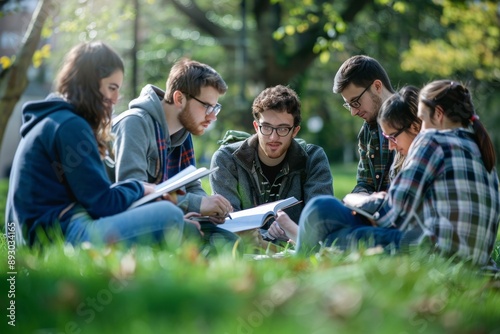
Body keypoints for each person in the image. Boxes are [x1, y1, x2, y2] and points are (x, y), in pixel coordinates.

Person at [294, 80, 500, 266]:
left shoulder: (433, 140)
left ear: (438, 114)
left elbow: (391, 215)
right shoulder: (481, 151)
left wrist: (355, 199)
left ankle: (297, 270)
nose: (421, 127)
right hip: (471, 260)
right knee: (331, 230)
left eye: (422, 119)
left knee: (325, 220)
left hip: (432, 253)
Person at [5, 41, 188, 248]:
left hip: (35, 234)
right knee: (169, 215)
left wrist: (141, 189)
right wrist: (140, 188)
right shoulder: (70, 126)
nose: (116, 98)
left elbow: (94, 195)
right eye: (112, 88)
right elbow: (103, 203)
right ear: (90, 83)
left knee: (169, 216)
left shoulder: (56, 119)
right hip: (56, 235)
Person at [109, 57, 237, 250]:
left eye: (215, 108)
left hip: (167, 214)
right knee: (194, 236)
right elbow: (132, 192)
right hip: (123, 219)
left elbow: (192, 185)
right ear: (179, 99)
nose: (212, 117)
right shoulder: (134, 123)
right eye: (206, 106)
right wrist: (198, 204)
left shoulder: (184, 132)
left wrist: (210, 208)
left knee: (229, 241)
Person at [278, 86, 422, 244]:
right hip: (387, 223)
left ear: (415, 127)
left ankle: (304, 243)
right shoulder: (402, 156)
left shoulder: (423, 157)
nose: (390, 146)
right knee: (325, 214)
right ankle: (307, 242)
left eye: (392, 137)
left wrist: (356, 200)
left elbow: (390, 215)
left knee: (332, 225)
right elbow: (375, 194)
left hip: (408, 236)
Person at [209, 85, 334, 245]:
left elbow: (320, 216)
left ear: (295, 131)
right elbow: (229, 220)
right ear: (256, 127)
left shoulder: (313, 158)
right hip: (245, 247)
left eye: (282, 129)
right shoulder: (226, 159)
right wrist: (265, 236)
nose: (273, 137)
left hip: (297, 246)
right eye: (266, 127)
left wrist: (293, 228)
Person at [333, 55, 395, 194]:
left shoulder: (415, 120)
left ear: (377, 86)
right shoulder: (367, 130)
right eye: (349, 105)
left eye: (356, 102)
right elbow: (365, 183)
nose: (353, 112)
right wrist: (358, 197)